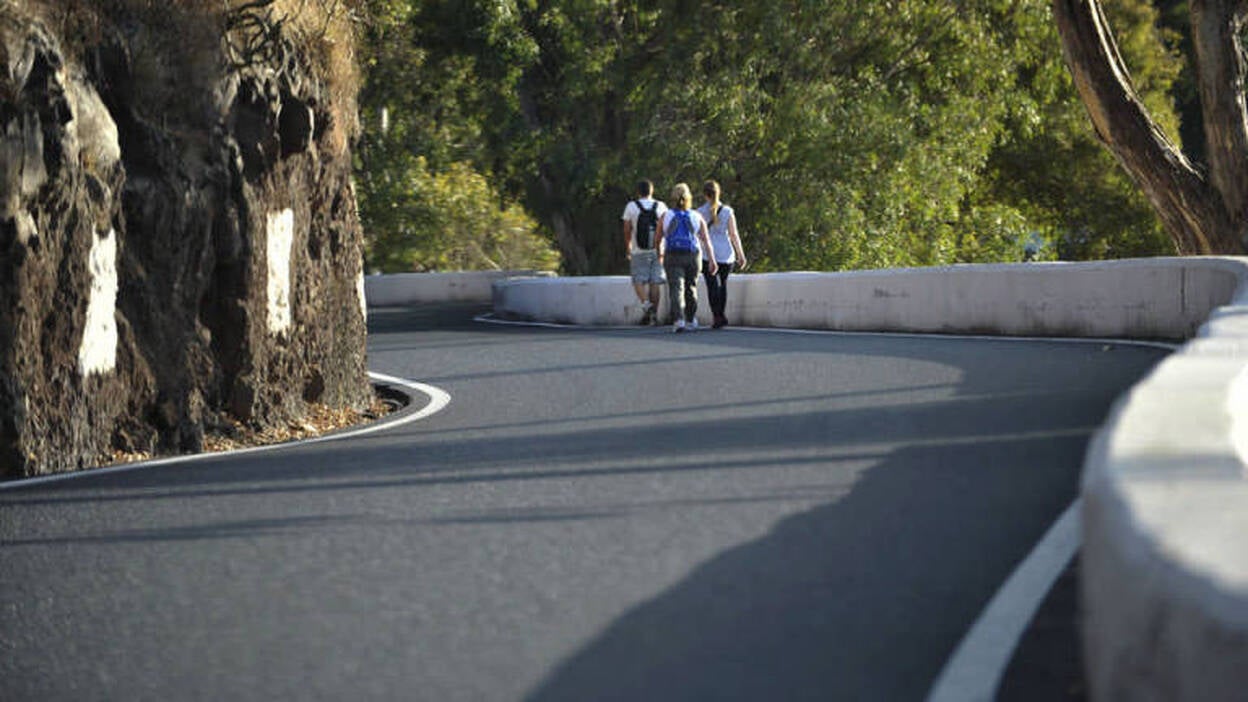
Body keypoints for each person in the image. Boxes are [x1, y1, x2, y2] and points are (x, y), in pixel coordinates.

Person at [655, 183, 716, 332]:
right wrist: (712, 259)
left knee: (676, 288)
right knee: (691, 287)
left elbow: (657, 239)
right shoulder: (696, 216)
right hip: (693, 255)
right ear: (689, 198)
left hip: (672, 254)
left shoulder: (666, 215)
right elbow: (706, 239)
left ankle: (678, 320)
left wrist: (660, 254)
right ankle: (690, 319)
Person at [696, 180, 748, 329]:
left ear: (705, 195)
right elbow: (733, 234)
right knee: (723, 285)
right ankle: (721, 313)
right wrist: (741, 254)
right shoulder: (728, 211)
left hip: (708, 254)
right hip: (726, 254)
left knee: (712, 285)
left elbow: (699, 234)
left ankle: (717, 316)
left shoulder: (700, 212)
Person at [621, 180, 668, 325]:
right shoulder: (661, 206)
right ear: (652, 191)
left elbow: (627, 230)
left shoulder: (631, 207)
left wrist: (628, 246)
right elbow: (666, 228)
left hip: (638, 249)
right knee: (655, 282)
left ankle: (647, 307)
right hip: (658, 249)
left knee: (637, 280)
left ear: (638, 191)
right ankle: (653, 315)